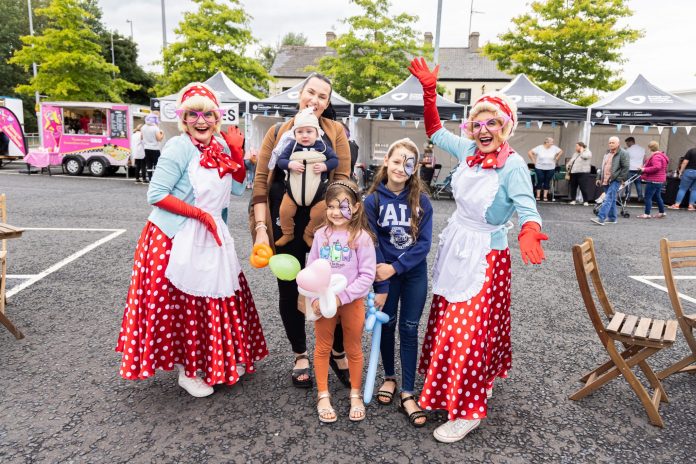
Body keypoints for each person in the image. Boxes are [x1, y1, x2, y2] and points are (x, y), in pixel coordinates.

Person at [409, 57, 547, 443]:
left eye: (493, 123)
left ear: (506, 128)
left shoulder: (514, 166)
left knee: (466, 330)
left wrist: (529, 231)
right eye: (478, 123)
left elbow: (527, 208)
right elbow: (435, 130)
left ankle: (468, 410)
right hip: (458, 244)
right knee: (451, 322)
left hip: (487, 254)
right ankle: (468, 383)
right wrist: (430, 93)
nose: (484, 130)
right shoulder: (468, 148)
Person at [116, 82, 268, 397]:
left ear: (218, 118)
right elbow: (155, 194)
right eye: (193, 114)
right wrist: (199, 216)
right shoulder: (178, 146)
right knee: (186, 305)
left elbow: (236, 191)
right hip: (174, 237)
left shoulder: (222, 147)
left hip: (212, 234)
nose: (201, 120)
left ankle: (216, 362)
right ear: (183, 119)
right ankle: (189, 371)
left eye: (208, 114)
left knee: (217, 299)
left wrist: (238, 154)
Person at [251, 73, 352, 389]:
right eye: (311, 92)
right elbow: (261, 183)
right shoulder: (278, 132)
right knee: (289, 289)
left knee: (330, 287)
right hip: (285, 224)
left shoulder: (335, 133)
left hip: (325, 227)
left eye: (323, 96)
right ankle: (300, 355)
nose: (316, 99)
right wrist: (260, 230)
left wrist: (339, 224)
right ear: (300, 93)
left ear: (328, 102)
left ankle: (335, 350)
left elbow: (345, 181)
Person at [363, 138, 433, 428]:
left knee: (409, 327)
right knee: (387, 325)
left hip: (412, 273)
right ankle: (389, 377)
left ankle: (407, 390)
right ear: (386, 162)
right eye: (396, 161)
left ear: (414, 169)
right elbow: (371, 241)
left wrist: (396, 267)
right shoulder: (372, 200)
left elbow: (424, 244)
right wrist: (381, 282)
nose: (401, 168)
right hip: (384, 277)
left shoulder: (422, 201)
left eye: (408, 163)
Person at [308, 180, 376, 423]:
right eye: (330, 207)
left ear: (356, 207)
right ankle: (323, 394)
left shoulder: (362, 238)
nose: (335, 212)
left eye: (342, 206)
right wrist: (316, 297)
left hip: (351, 302)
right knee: (322, 346)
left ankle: (355, 394)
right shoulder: (320, 235)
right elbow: (311, 269)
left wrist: (341, 297)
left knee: (353, 347)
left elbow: (367, 275)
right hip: (324, 302)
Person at [275, 109, 338, 247]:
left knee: (320, 213)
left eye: (309, 132)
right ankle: (287, 233)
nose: (304, 135)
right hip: (293, 191)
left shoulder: (322, 146)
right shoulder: (292, 146)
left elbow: (335, 160)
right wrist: (290, 164)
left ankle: (309, 234)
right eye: (300, 132)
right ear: (294, 134)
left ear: (316, 133)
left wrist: (324, 166)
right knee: (284, 211)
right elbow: (280, 161)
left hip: (318, 192)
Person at [592, 136, 630, 225]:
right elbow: (602, 167)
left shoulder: (623, 153)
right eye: (610, 142)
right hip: (605, 180)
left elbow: (626, 167)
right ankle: (612, 218)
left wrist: (620, 179)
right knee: (612, 199)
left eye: (613, 142)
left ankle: (601, 218)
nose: (611, 144)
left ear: (618, 144)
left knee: (608, 198)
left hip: (615, 180)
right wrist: (599, 178)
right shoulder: (607, 153)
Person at [636, 141, 668, 219]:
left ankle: (647, 214)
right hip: (660, 180)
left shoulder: (656, 157)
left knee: (648, 197)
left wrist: (644, 169)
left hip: (653, 179)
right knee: (658, 196)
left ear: (650, 148)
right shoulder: (662, 156)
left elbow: (657, 167)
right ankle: (662, 212)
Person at [528, 137, 562, 201]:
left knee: (547, 181)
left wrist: (557, 158)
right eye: (551, 142)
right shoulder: (539, 148)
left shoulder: (554, 148)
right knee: (540, 180)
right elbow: (529, 152)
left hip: (551, 167)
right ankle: (538, 195)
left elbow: (561, 151)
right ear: (547, 142)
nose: (552, 143)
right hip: (539, 167)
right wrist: (534, 161)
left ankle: (545, 196)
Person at [668, 146, 696, 211]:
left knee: (683, 189)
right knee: (695, 190)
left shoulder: (691, 151)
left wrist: (680, 171)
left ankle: (677, 205)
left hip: (689, 171)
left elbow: (685, 162)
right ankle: (691, 206)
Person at [141, 113, 165, 182]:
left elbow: (141, 137)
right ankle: (157, 179)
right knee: (157, 164)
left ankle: (150, 178)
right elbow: (159, 139)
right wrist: (162, 134)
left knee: (149, 164)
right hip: (155, 148)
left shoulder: (143, 127)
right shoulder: (155, 128)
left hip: (146, 148)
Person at [624, 137, 646, 202]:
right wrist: (642, 166)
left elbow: (626, 160)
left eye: (627, 143)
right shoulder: (642, 149)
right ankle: (640, 197)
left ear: (631, 142)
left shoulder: (628, 150)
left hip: (630, 169)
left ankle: (627, 197)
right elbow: (645, 159)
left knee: (628, 184)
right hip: (639, 169)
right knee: (638, 183)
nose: (627, 144)